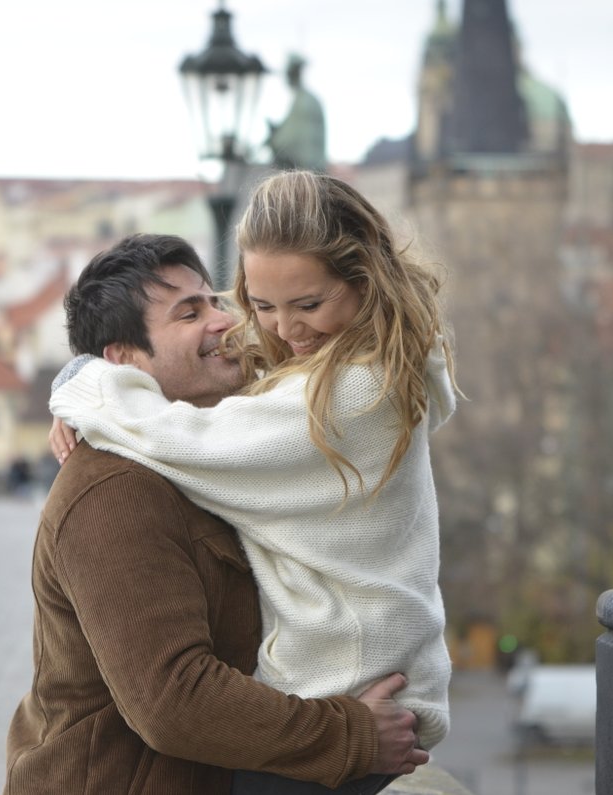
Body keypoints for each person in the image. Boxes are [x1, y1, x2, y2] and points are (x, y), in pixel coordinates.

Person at [49, 171, 457, 794]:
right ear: (124, 360)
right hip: (333, 711)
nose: (279, 331)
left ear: (363, 282)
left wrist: (81, 384)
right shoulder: (115, 488)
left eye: (308, 305)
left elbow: (182, 438)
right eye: (261, 305)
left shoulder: (347, 394)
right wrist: (92, 374)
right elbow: (172, 700)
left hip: (346, 699)